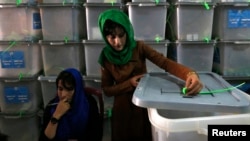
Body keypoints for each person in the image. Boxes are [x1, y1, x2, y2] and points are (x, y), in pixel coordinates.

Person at [98, 9, 204, 141]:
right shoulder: (106, 57)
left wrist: (190, 74)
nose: (118, 42)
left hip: (142, 107)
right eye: (112, 37)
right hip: (122, 111)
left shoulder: (139, 47)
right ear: (105, 36)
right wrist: (128, 84)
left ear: (127, 31)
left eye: (121, 35)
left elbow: (165, 63)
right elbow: (107, 90)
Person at [39, 68, 102, 141]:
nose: (63, 95)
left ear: (77, 89)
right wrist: (57, 115)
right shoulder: (52, 107)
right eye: (60, 89)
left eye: (69, 89)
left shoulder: (89, 104)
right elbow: (44, 139)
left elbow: (96, 136)